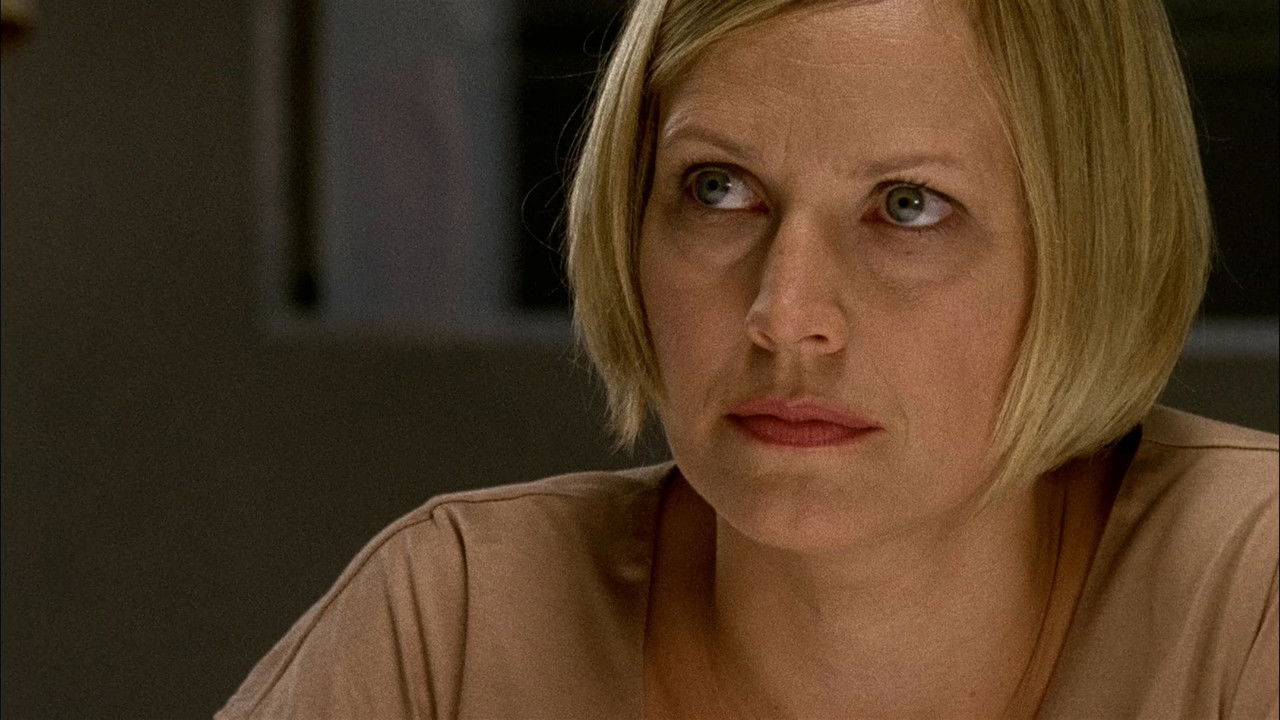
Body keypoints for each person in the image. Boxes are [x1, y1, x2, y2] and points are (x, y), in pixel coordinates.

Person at [217, 0, 1279, 717]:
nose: (783, 314)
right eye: (717, 189)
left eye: (908, 206)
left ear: (1091, 248)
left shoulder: (1252, 594)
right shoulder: (454, 626)